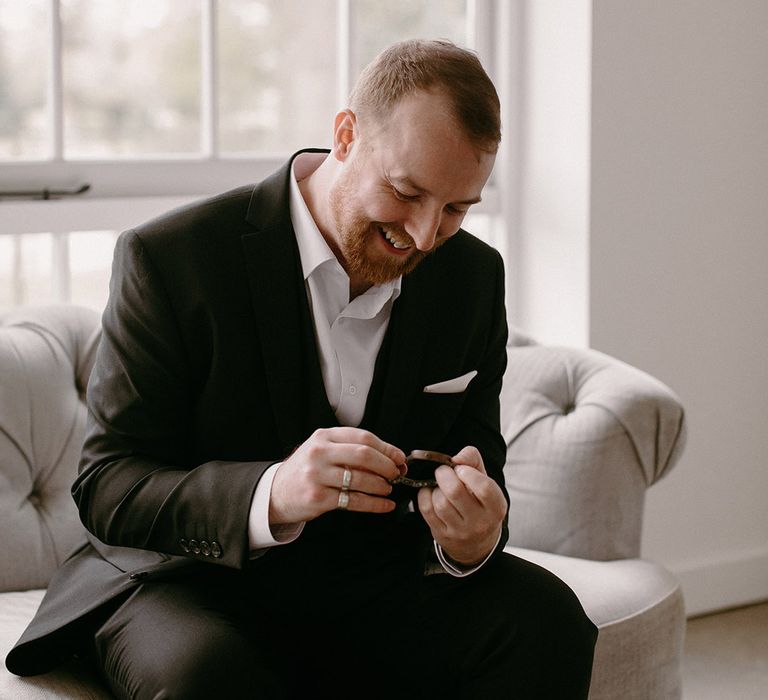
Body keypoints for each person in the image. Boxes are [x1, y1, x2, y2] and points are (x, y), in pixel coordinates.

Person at [6, 39, 597, 698]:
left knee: (549, 621)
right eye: (406, 192)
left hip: (371, 584)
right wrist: (273, 492)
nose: (427, 235)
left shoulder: (474, 278)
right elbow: (109, 485)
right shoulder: (173, 259)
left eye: (457, 208)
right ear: (345, 136)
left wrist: (472, 538)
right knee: (211, 679)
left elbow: (478, 454)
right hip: (188, 585)